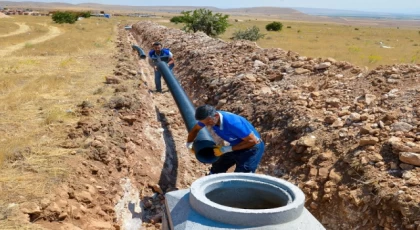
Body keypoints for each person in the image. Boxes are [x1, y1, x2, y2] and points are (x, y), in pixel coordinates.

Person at [186, 105, 265, 174]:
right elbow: (195, 130)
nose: (206, 124)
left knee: (242, 176)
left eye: (207, 122)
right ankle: (212, 183)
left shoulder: (233, 123)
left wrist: (227, 149)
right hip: (237, 144)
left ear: (216, 116)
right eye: (204, 122)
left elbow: (252, 141)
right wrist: (189, 143)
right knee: (219, 165)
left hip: (253, 148)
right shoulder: (210, 119)